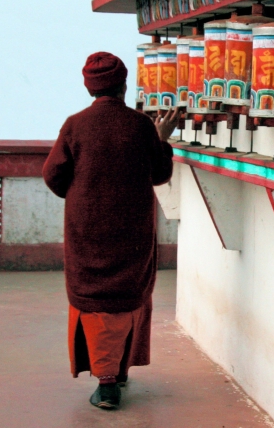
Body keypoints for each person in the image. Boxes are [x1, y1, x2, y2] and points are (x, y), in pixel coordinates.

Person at [43, 51, 180, 410]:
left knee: (94, 299)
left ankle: (105, 383)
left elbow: (53, 176)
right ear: (123, 84)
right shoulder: (139, 127)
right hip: (132, 232)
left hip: (86, 230)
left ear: (90, 87)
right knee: (127, 296)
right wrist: (161, 139)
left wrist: (82, 193)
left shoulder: (74, 125)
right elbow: (159, 175)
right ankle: (115, 376)